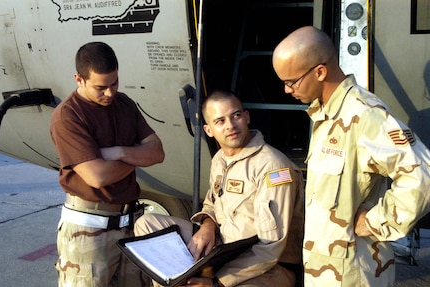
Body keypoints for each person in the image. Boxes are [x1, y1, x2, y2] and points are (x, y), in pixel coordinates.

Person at [272, 26, 430, 286]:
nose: (287, 90)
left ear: (320, 71)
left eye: (291, 82)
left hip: (353, 275)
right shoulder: (325, 113)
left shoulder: (364, 115)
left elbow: (422, 176)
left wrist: (376, 222)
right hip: (325, 270)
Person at [134, 90, 304, 287]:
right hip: (221, 251)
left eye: (236, 116)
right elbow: (211, 203)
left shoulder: (273, 167)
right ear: (208, 130)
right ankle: (175, 280)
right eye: (220, 121)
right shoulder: (220, 159)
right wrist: (208, 224)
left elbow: (270, 248)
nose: (230, 126)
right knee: (147, 223)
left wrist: (217, 283)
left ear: (247, 117)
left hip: (265, 267)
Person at [50, 41, 165, 287]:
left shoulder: (124, 104)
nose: (110, 93)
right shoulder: (68, 116)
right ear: (79, 79)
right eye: (101, 87)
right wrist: (136, 157)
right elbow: (97, 176)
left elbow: (157, 152)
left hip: (129, 227)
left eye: (114, 83)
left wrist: (119, 152)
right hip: (88, 234)